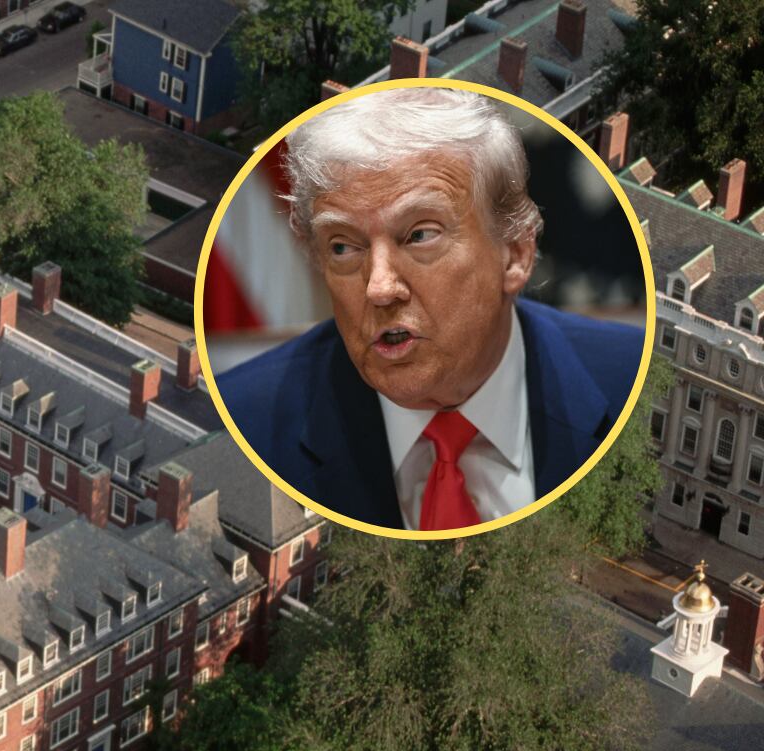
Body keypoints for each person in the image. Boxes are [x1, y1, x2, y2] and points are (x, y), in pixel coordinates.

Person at [215, 87, 642, 531]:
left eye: (420, 235)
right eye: (342, 246)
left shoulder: (625, 374)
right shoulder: (244, 421)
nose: (379, 287)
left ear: (515, 255)